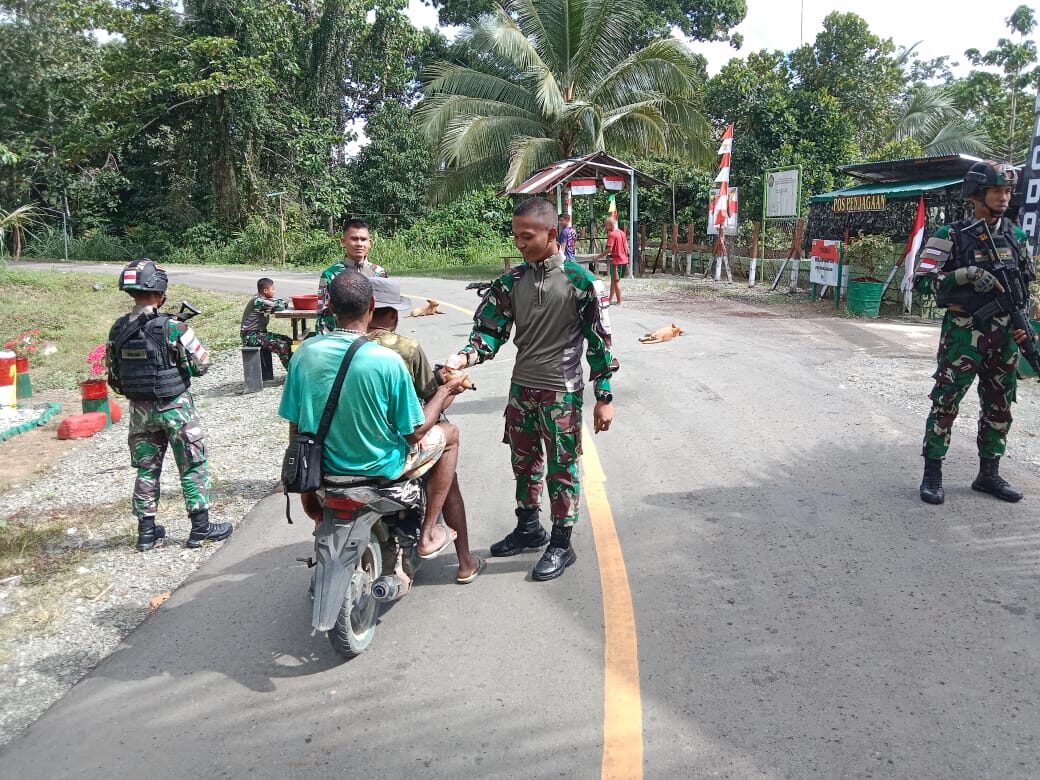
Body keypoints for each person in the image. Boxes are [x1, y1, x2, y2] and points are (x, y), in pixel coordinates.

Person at [443, 197, 619, 581]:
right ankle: (529, 528)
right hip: (522, 391)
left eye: (527, 236)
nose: (519, 244)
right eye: (516, 236)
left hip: (562, 394)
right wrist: (465, 357)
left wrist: (603, 396)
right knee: (524, 465)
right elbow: (489, 332)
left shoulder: (582, 283)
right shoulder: (512, 282)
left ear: (552, 234)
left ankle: (561, 542)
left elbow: (600, 343)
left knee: (562, 470)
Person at [279, 269, 484, 583]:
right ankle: (429, 534)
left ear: (329, 308)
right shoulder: (389, 360)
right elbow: (414, 431)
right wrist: (444, 392)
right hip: (381, 465)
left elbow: (296, 424)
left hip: (322, 466)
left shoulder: (304, 353)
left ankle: (324, 521)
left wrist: (305, 481)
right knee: (450, 436)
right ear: (372, 306)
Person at [915, 160, 1032, 505]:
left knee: (1000, 404)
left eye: (1008, 190)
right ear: (976, 194)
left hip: (1006, 335)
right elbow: (922, 281)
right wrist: (963, 274)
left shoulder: (1016, 235)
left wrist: (1025, 327)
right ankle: (933, 473)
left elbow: (1024, 288)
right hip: (964, 335)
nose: (1004, 197)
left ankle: (989, 474)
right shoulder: (950, 235)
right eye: (996, 190)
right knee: (946, 402)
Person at [106, 259, 233, 551]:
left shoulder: (118, 329)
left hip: (140, 411)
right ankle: (200, 528)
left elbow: (114, 377)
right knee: (192, 465)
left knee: (147, 470)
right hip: (176, 407)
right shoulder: (174, 327)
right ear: (160, 293)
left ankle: (147, 533)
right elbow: (202, 364)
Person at [367, 277, 438, 402]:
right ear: (393, 315)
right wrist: (448, 389)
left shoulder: (343, 342)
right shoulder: (408, 347)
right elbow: (429, 394)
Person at [317, 220, 388, 334]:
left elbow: (386, 312)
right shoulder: (331, 275)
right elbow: (323, 314)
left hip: (372, 339)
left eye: (363, 239)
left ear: (370, 243)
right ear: (343, 242)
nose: (359, 244)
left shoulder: (379, 274)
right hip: (340, 339)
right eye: (354, 239)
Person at [240, 277, 292, 368]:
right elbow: (279, 306)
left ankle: (296, 368)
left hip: (259, 333)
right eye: (272, 289)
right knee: (281, 345)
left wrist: (283, 301)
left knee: (288, 340)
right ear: (265, 290)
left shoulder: (263, 298)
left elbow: (277, 302)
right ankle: (291, 372)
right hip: (250, 336)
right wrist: (284, 301)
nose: (274, 291)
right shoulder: (258, 301)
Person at [591, 216, 629, 306]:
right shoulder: (622, 233)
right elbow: (627, 248)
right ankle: (610, 298)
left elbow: (609, 250)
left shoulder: (612, 234)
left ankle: (619, 301)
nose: (605, 227)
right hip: (624, 259)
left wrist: (598, 257)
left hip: (617, 260)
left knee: (616, 281)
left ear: (609, 224)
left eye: (605, 225)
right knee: (613, 280)